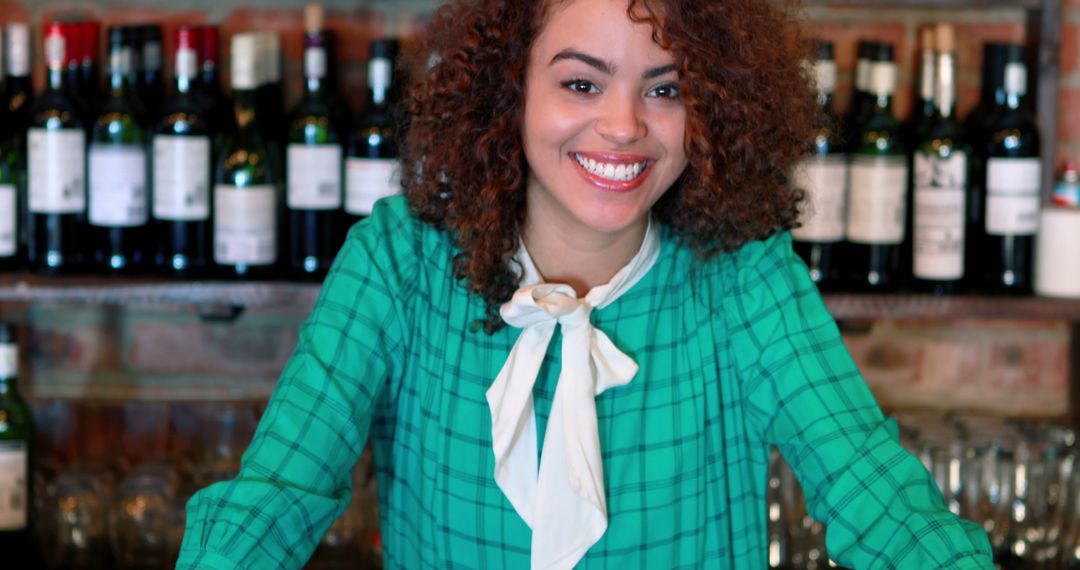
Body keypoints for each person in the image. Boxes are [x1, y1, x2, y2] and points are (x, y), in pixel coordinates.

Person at [177, 0, 994, 568]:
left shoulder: (745, 274)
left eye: (665, 89)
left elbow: (878, 496)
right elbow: (274, 500)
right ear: (509, 91)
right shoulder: (399, 264)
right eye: (581, 83)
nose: (624, 126)